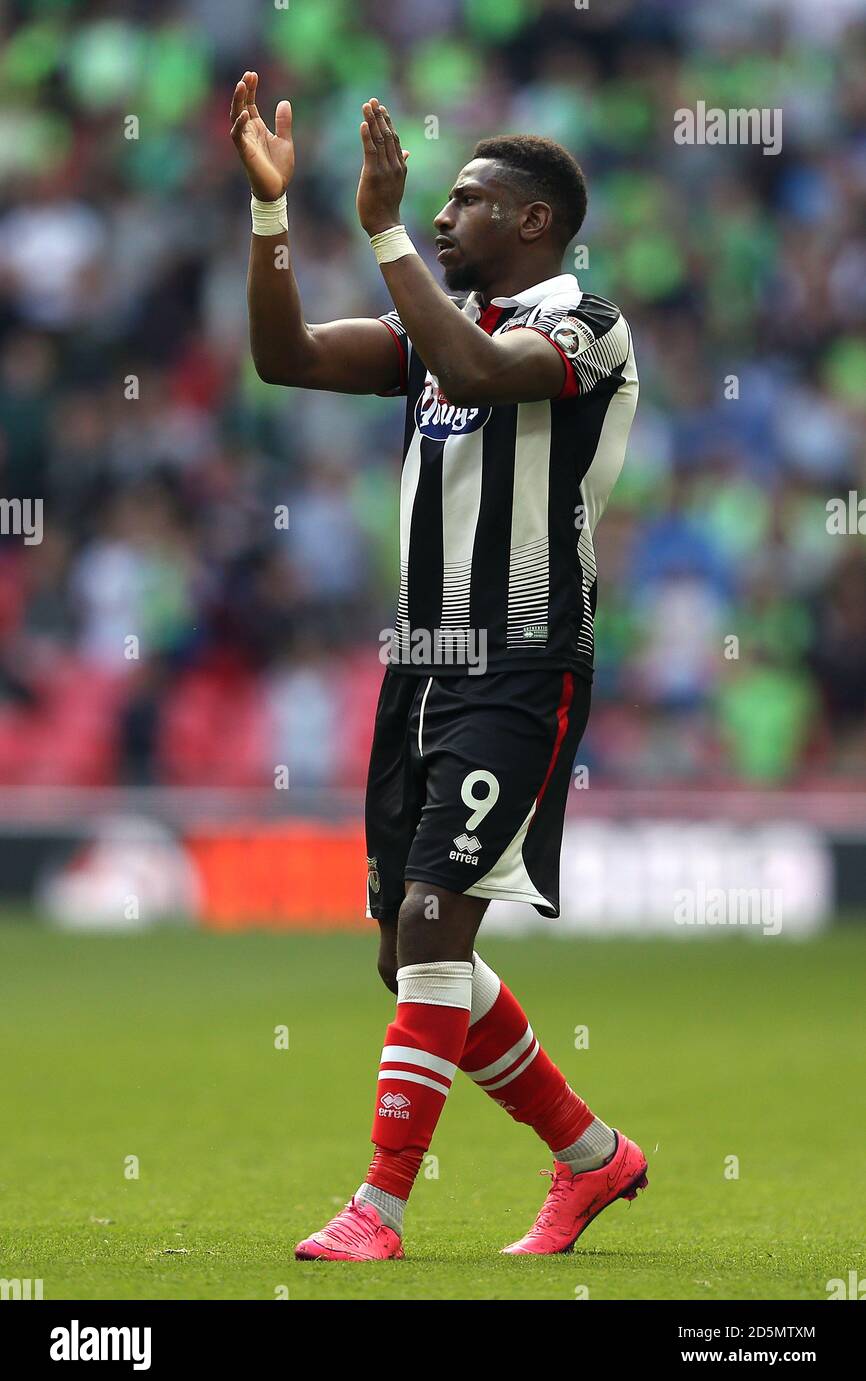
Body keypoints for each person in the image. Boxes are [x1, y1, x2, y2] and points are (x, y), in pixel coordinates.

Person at [231, 72, 646, 1260]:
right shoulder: (431, 336)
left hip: (521, 661)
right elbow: (287, 356)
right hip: (419, 665)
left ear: (531, 223)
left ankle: (380, 1207)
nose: (445, 214)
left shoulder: (584, 324)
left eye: (465, 201)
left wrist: (381, 226)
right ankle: (589, 1156)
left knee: (429, 925)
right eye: (440, 203)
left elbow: (475, 371)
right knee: (403, 952)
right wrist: (271, 219)